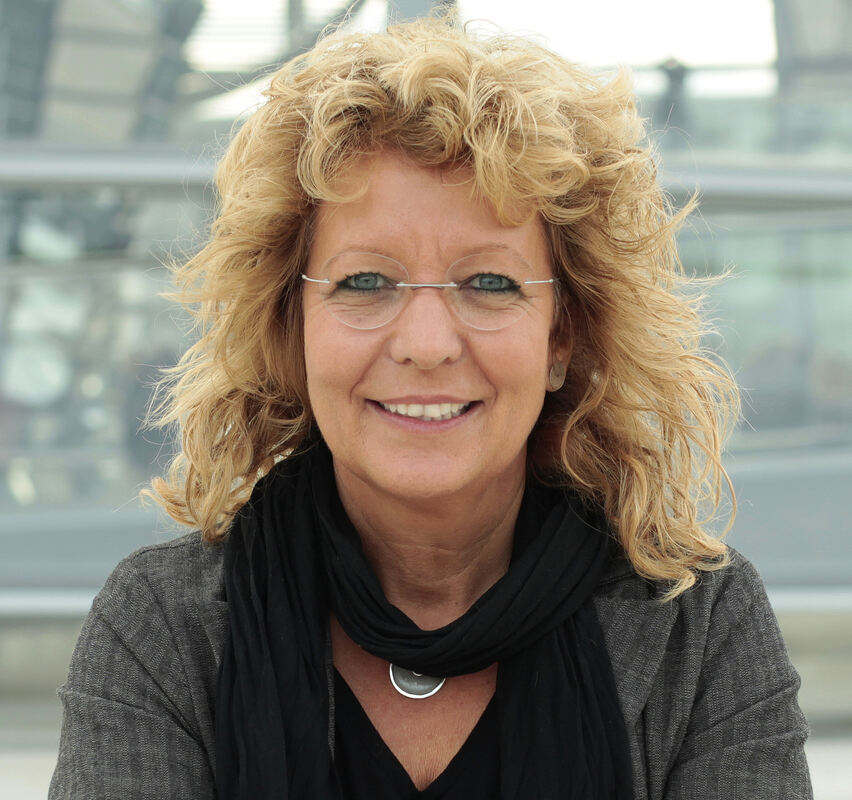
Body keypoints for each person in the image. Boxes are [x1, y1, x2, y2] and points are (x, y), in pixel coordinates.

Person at [49, 17, 812, 800]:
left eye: (489, 283)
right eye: (365, 282)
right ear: (292, 326)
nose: (426, 344)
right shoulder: (160, 629)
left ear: (562, 336)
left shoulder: (699, 627)